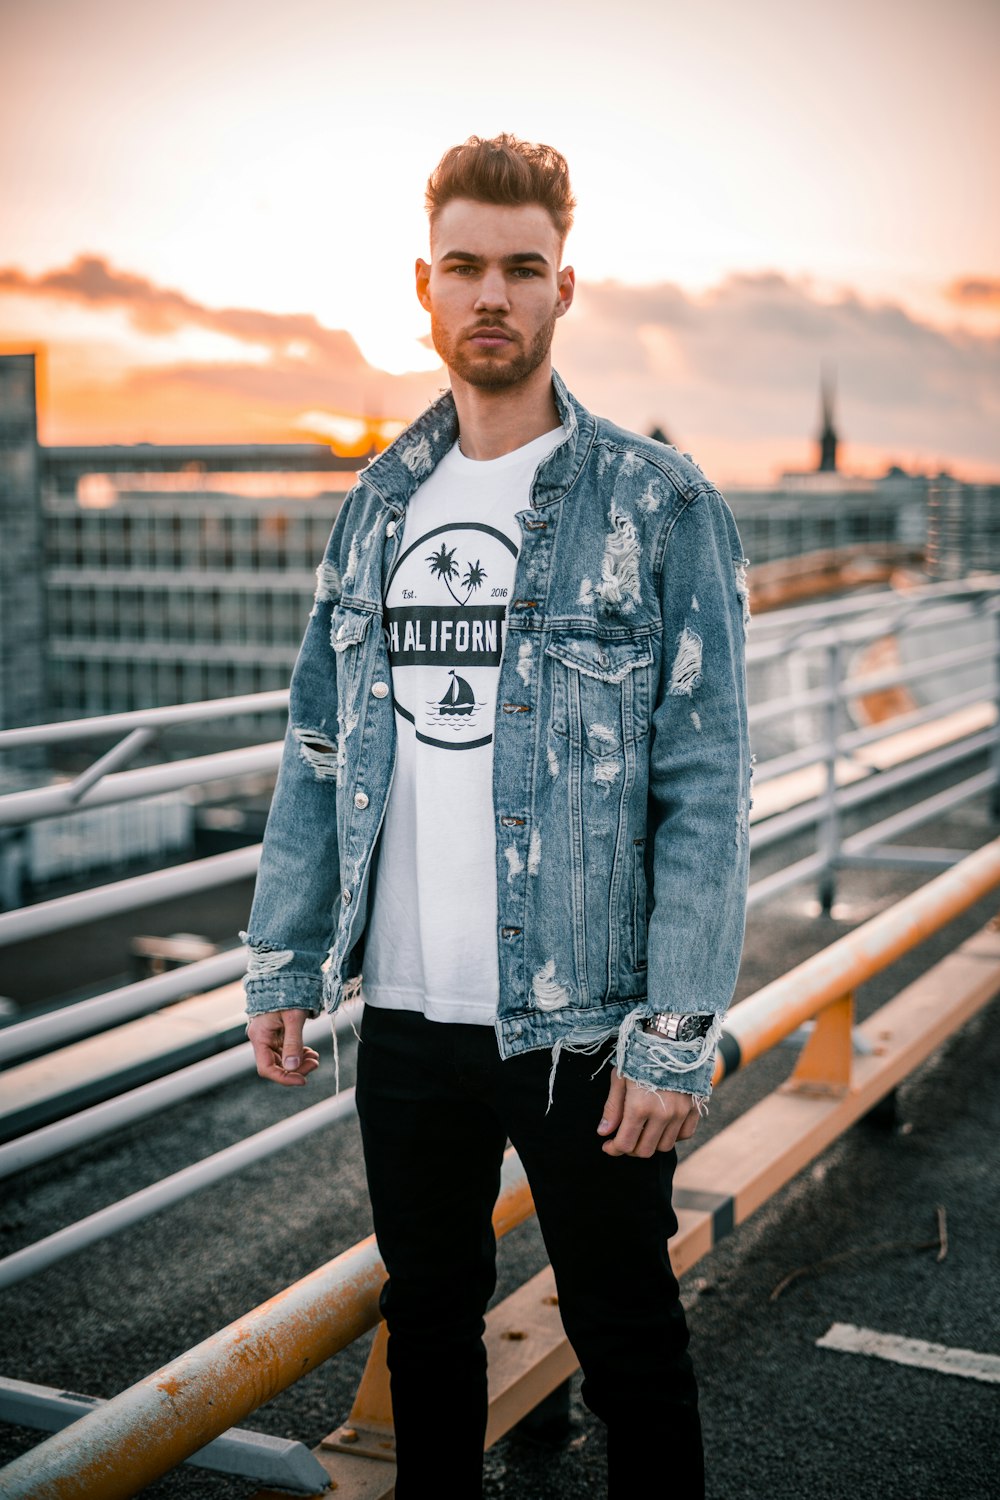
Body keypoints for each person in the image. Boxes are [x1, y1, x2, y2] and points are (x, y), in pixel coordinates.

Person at [241, 133, 751, 1499]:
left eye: (522, 269)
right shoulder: (378, 502)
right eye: (464, 265)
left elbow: (705, 781)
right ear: (423, 284)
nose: (493, 294)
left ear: (564, 289)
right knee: (430, 1329)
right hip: (404, 1014)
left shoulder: (656, 501)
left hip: (583, 1019)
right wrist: (286, 959)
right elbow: (312, 744)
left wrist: (677, 1027)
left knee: (627, 1337)